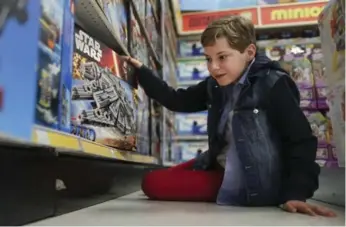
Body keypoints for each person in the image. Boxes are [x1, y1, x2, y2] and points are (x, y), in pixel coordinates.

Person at [123, 15, 336, 217]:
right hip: (218, 161)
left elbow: (300, 140)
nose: (213, 67)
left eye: (222, 57)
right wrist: (142, 72)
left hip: (246, 180)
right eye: (208, 59)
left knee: (152, 183)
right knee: (158, 177)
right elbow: (178, 100)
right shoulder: (215, 84)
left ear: (250, 52)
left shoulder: (273, 84)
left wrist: (296, 193)